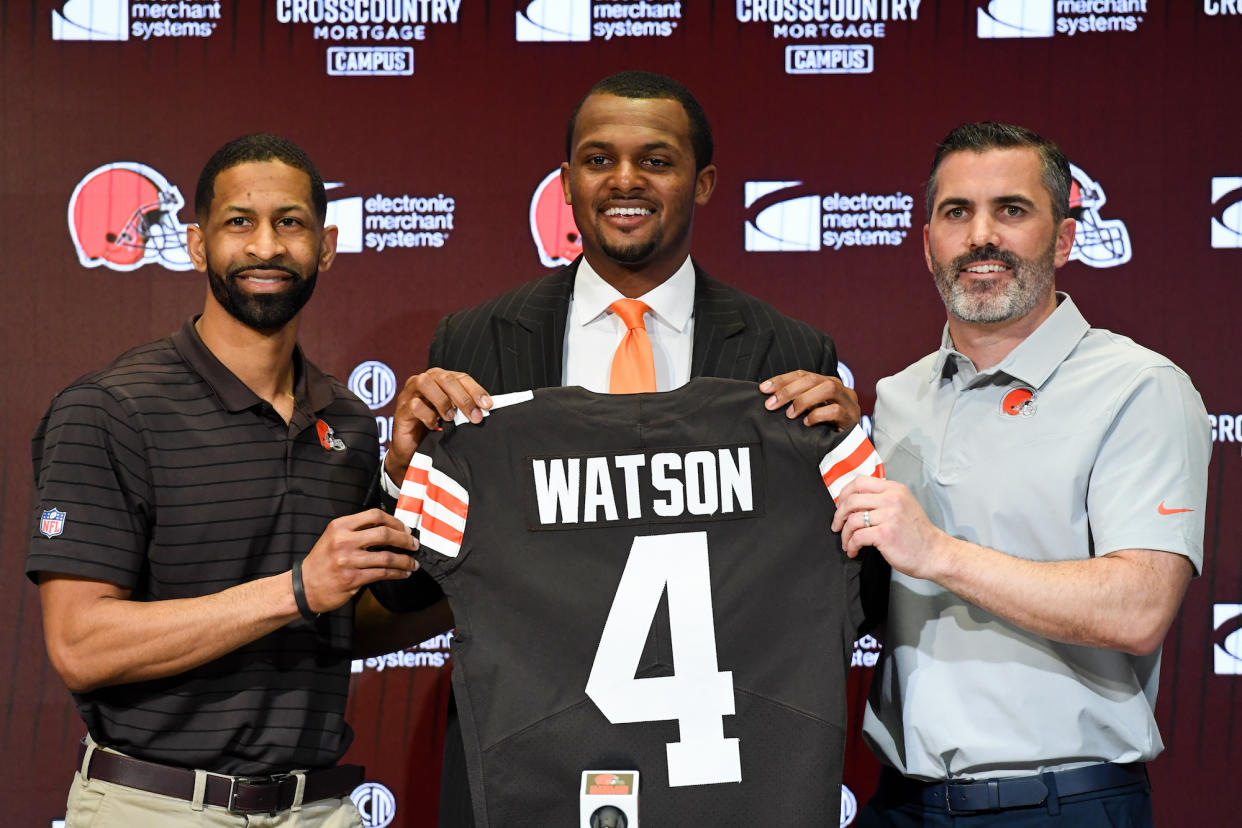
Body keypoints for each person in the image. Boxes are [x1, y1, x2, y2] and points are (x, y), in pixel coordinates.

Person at [377, 70, 864, 825]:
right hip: (536, 773)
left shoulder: (789, 352)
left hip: (724, 780)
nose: (624, 180)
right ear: (567, 182)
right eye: (599, 160)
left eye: (657, 160)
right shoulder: (474, 343)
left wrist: (851, 472)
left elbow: (837, 598)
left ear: (702, 184)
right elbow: (413, 594)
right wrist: (405, 475)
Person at [26, 134, 444, 827]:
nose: (266, 247)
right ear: (196, 245)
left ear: (327, 246)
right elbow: (80, 645)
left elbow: (342, 625)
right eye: (239, 223)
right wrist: (296, 589)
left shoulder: (347, 419)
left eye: (290, 222)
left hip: (318, 807)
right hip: (155, 806)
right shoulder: (110, 409)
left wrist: (478, 561)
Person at [831, 122, 1210, 826]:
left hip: (1060, 803)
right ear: (927, 244)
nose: (982, 236)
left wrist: (939, 552)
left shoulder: (1139, 386)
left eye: (1011, 210)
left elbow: (1139, 609)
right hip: (903, 802)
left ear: (1063, 239)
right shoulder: (898, 397)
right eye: (956, 213)